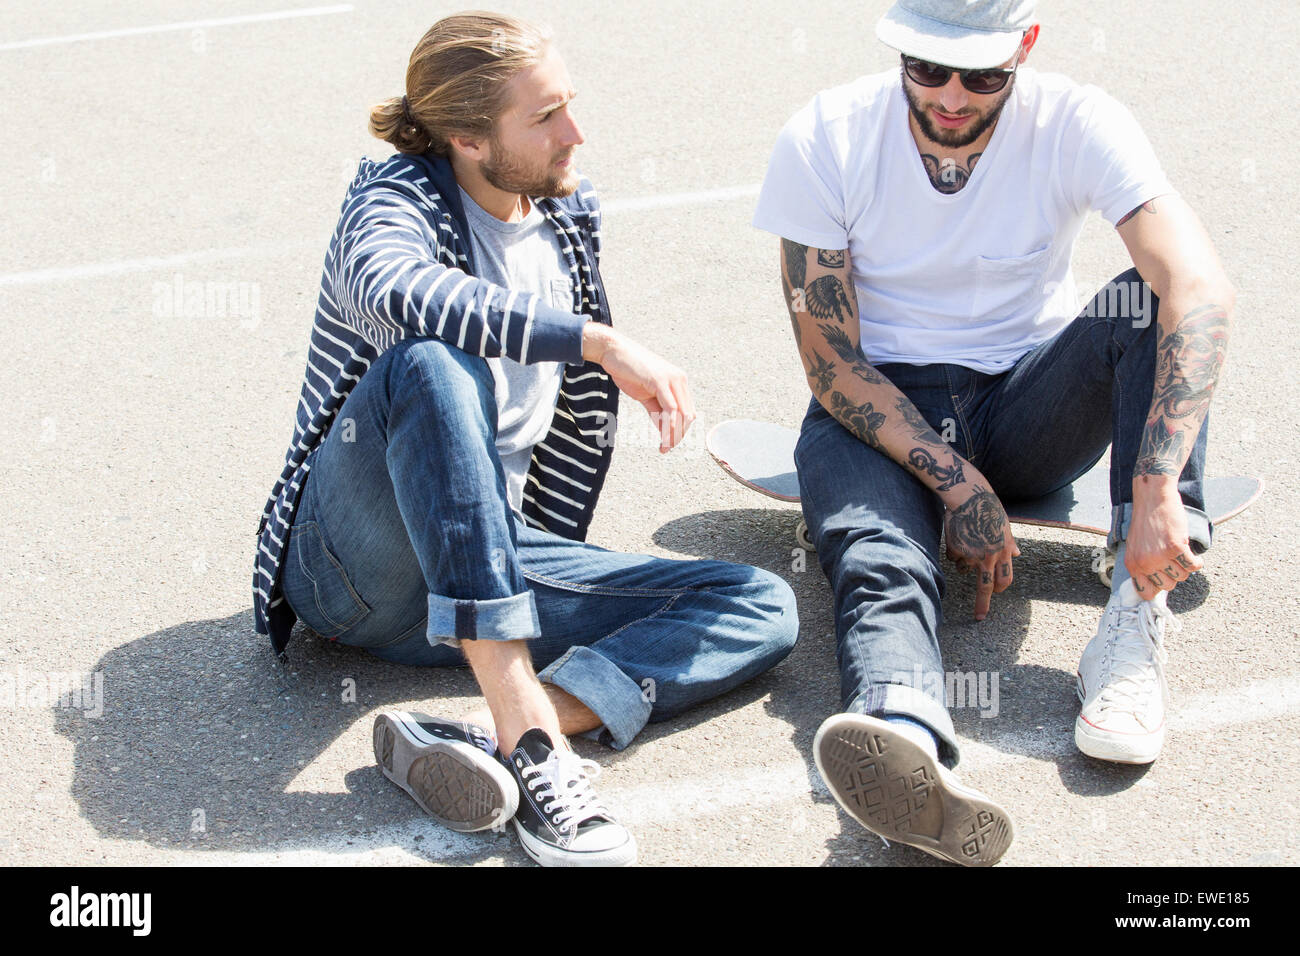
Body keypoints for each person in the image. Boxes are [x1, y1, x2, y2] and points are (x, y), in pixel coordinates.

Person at [253, 12, 799, 867]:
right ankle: (536, 743)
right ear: (466, 137)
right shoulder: (391, 200)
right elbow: (397, 288)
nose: (575, 133)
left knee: (759, 604)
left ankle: (470, 733)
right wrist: (594, 339)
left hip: (478, 568)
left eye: (568, 104)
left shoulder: (567, 214)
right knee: (434, 365)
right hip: (355, 565)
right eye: (545, 117)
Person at [753, 0, 1232, 866]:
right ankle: (907, 734)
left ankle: (1132, 618)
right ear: (895, 46)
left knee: (1156, 299)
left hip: (1028, 401)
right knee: (879, 557)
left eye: (982, 74)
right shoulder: (827, 134)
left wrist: (1156, 488)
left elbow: (1198, 284)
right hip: (873, 405)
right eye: (927, 68)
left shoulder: (1077, 120)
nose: (950, 96)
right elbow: (828, 362)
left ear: (1028, 48)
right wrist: (958, 485)